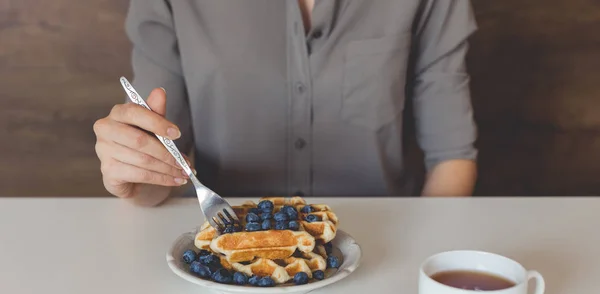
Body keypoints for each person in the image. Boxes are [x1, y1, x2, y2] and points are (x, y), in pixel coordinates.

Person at [94, 0, 478, 206]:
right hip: (229, 259)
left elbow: (452, 157)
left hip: (380, 250)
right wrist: (131, 171)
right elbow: (160, 168)